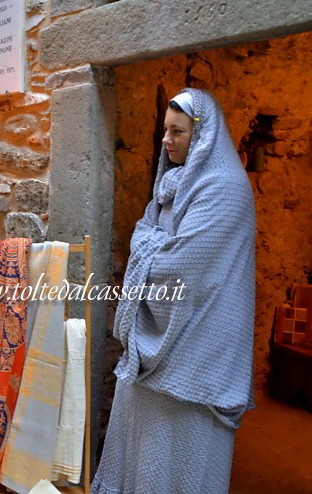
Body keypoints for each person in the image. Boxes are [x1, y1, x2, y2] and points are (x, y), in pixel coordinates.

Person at [92, 89, 256, 493]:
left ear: (203, 134)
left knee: (177, 460)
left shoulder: (225, 189)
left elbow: (176, 268)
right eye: (165, 130)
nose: (166, 141)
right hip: (156, 348)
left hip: (196, 346)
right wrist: (152, 241)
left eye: (177, 132)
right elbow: (150, 238)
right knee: (141, 454)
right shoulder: (172, 184)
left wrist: (146, 241)